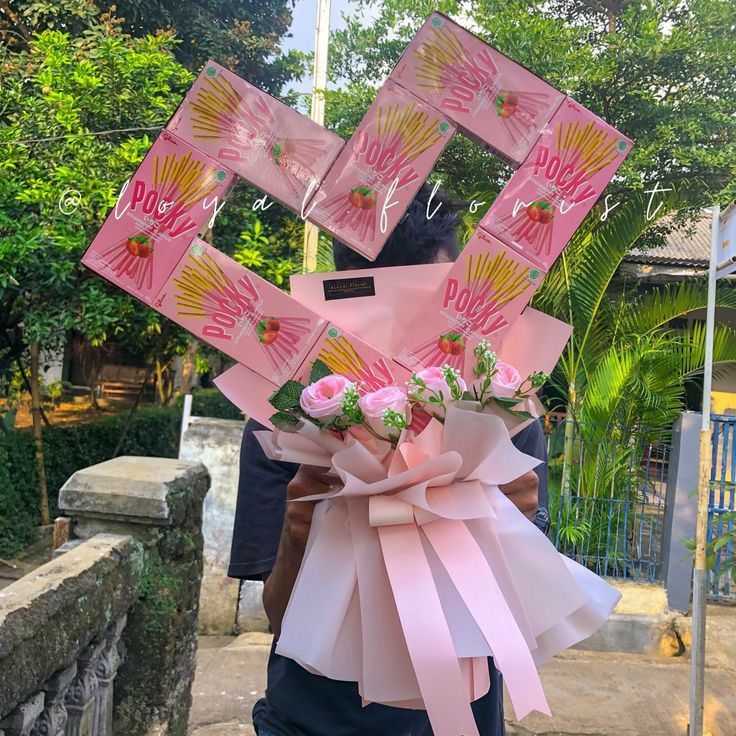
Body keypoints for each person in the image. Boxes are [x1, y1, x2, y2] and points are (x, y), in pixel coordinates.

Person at [228, 184, 550, 736]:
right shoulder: (288, 414)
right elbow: (278, 615)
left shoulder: (501, 407)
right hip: (314, 719)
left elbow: (521, 614)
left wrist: (514, 533)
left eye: (432, 308)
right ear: (338, 297)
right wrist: (301, 530)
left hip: (460, 718)